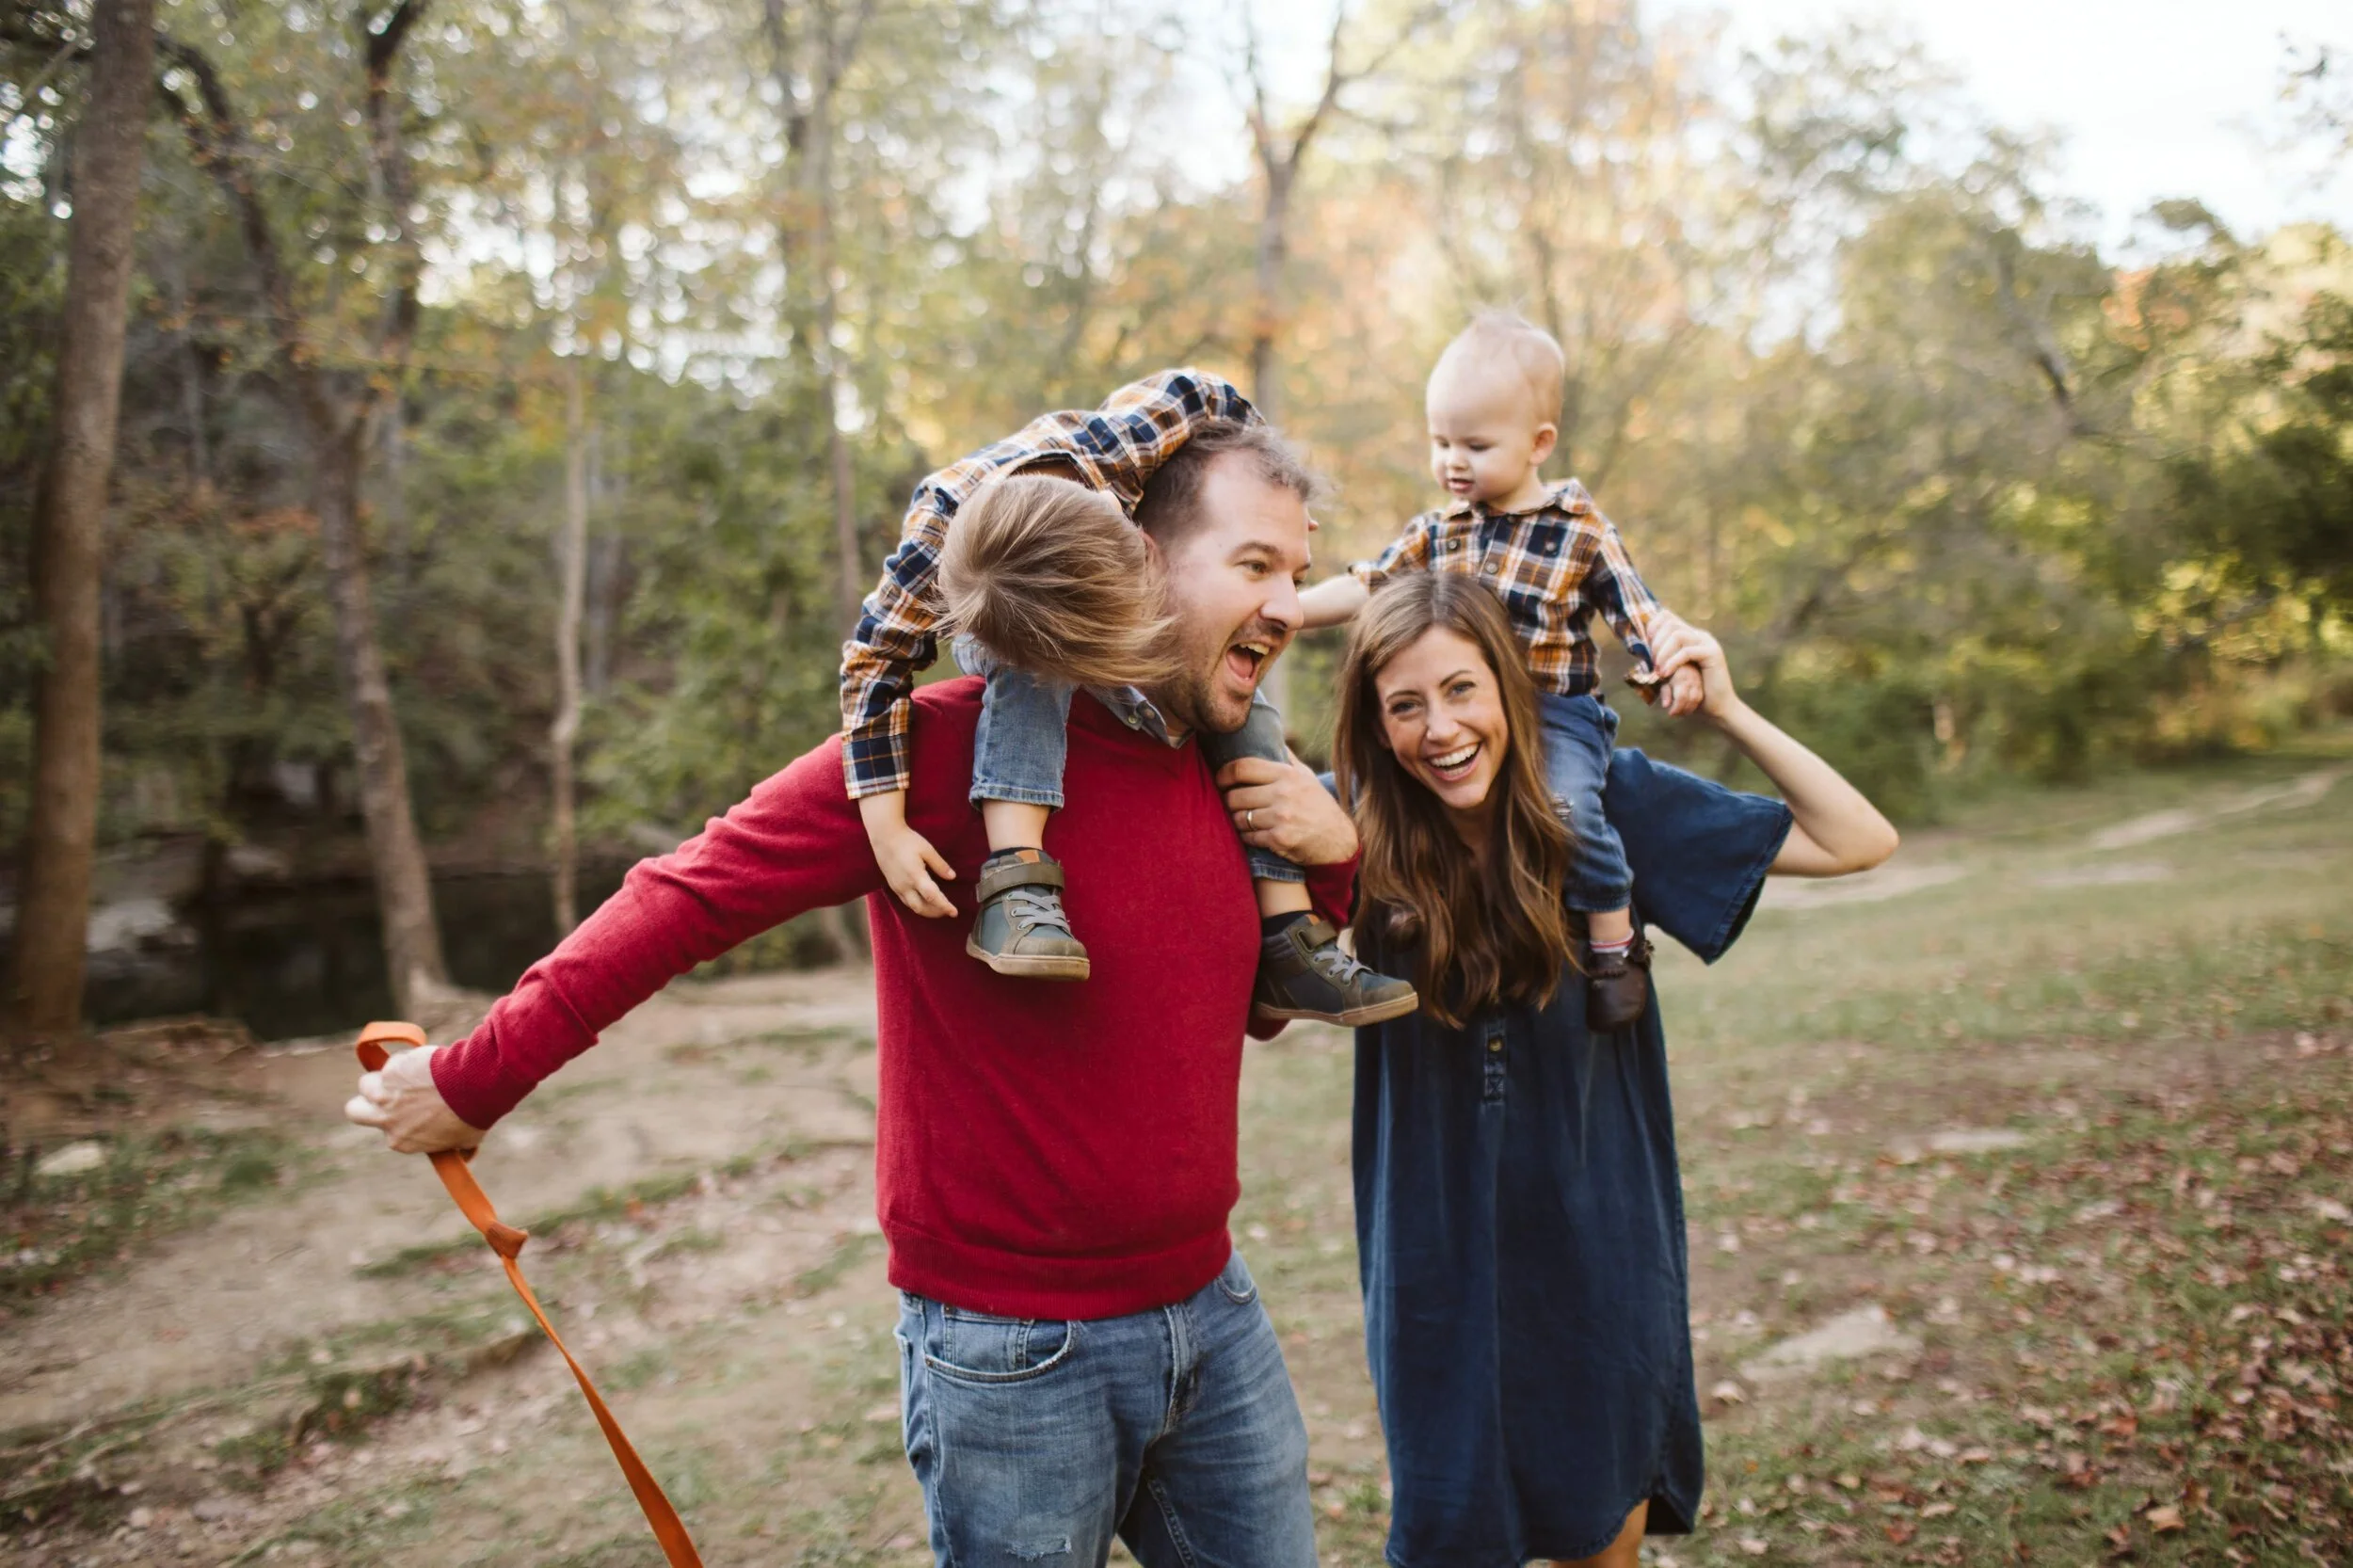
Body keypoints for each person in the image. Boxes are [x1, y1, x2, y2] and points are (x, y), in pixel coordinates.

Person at [344, 420, 1371, 1568]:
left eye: (1298, 567)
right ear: (1136, 560)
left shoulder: (1229, 769)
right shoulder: (940, 756)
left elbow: (1246, 1009)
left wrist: (1333, 852)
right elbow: (685, 896)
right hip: (1011, 1352)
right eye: (1254, 565)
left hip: (1211, 1309)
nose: (1290, 605)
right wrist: (475, 1079)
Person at [1331, 573, 1898, 1568]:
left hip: (1597, 1242)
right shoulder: (1348, 831)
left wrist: (1723, 705)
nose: (1439, 728)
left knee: (1600, 1536)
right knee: (1449, 1531)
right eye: (1405, 704)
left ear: (1512, 688)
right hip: (1435, 1259)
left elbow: (1856, 838)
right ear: (1375, 726)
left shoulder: (1602, 803)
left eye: (1462, 689)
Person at [848, 371, 1413, 1024]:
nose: (1284, 601)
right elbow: (871, 663)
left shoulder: (1129, 442)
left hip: (1077, 546)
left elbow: (1213, 395)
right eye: (1256, 565)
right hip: (993, 605)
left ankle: (1288, 938)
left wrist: (1274, 492)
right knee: (1035, 665)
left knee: (1236, 692)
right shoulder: (931, 548)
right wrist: (885, 828)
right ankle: (1015, 881)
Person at [1300, 312, 1701, 1031]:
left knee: (1571, 809)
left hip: (1557, 714)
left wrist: (1668, 671)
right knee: (1341, 789)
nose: (1454, 460)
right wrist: (1291, 609)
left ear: (1539, 443)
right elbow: (1369, 582)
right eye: (1441, 441)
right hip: (1462, 712)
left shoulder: (1577, 528)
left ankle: (1613, 939)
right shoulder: (1438, 529)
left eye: (1476, 445)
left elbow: (1635, 610)